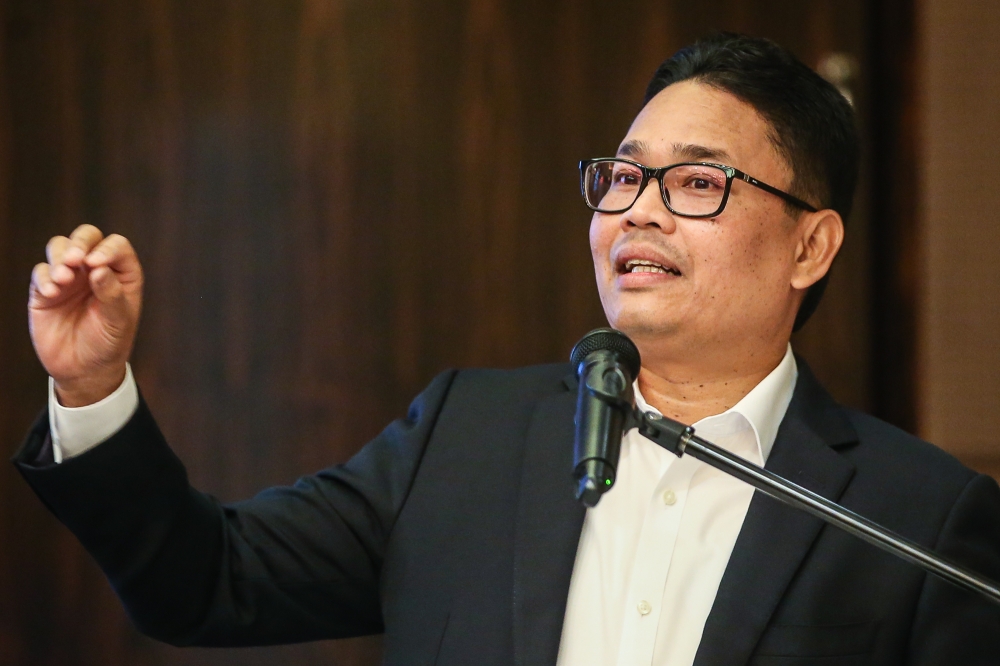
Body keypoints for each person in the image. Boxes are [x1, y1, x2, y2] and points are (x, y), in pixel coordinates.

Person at [14, 32, 1000, 665]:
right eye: (621, 177)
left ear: (810, 244)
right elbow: (203, 582)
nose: (638, 214)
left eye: (696, 184)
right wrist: (92, 388)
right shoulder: (465, 439)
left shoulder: (917, 518)